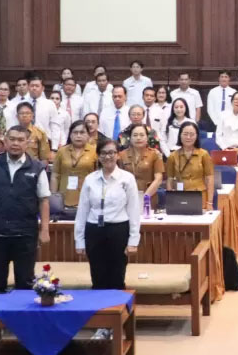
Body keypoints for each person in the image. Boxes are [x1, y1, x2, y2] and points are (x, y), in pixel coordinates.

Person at [0, 126, 52, 293]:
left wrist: (45, 230)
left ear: (27, 143)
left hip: (25, 235)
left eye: (21, 140)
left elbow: (44, 200)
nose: (16, 143)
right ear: (5, 141)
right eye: (12, 139)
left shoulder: (37, 168)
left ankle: (21, 319)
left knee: (25, 284)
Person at [75, 138, 141, 317]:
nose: (108, 157)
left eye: (112, 152)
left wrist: (133, 240)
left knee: (117, 278)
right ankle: (100, 319)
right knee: (98, 277)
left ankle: (117, 320)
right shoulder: (90, 179)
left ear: (118, 155)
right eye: (103, 153)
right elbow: (82, 211)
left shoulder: (126, 179)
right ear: (98, 156)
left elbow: (134, 211)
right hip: (94, 231)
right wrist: (79, 240)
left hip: (118, 231)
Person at [165, 122, 214, 210]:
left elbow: (209, 178)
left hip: (199, 196)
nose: (188, 137)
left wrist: (209, 202)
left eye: (192, 134)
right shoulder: (172, 156)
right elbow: (170, 179)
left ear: (196, 136)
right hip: (179, 196)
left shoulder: (204, 154)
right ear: (180, 135)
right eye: (185, 134)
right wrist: (171, 200)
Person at [51, 121, 99, 209]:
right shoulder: (62, 151)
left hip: (87, 197)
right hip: (64, 196)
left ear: (88, 135)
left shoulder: (95, 152)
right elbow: (55, 175)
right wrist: (54, 196)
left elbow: (98, 176)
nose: (78, 136)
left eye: (82, 132)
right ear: (70, 135)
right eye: (75, 132)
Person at [117, 124, 165, 205]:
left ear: (147, 137)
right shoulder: (121, 155)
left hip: (149, 199)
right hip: (127, 199)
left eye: (142, 135)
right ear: (130, 138)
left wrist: (144, 198)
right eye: (135, 135)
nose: (138, 138)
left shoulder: (155, 154)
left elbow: (158, 179)